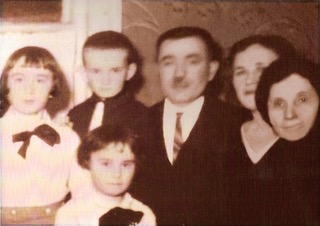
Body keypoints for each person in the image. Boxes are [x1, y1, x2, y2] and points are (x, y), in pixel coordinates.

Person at [131, 26, 239, 225]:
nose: (179, 74)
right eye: (168, 62)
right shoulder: (136, 124)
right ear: (159, 70)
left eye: (193, 61)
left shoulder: (239, 124)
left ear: (212, 70)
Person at [222, 35, 306, 225]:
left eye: (261, 69)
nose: (250, 80)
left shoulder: (311, 139)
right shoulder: (224, 136)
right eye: (240, 72)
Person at [0, 46, 80, 224]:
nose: (29, 89)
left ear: (53, 86)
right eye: (19, 79)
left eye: (40, 80)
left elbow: (82, 193)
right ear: (6, 84)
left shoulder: (68, 138)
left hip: (54, 219)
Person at [255, 56, 319, 225]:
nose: (290, 115)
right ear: (265, 109)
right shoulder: (256, 169)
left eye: (302, 99)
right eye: (279, 103)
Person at [55, 125, 156, 226]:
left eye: (125, 165)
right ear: (87, 163)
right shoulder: (71, 214)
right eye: (106, 164)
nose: (117, 174)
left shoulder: (145, 214)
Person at [68, 30, 146, 140]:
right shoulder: (75, 115)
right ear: (84, 73)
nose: (105, 81)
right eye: (96, 71)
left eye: (115, 70)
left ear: (129, 72)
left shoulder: (142, 116)